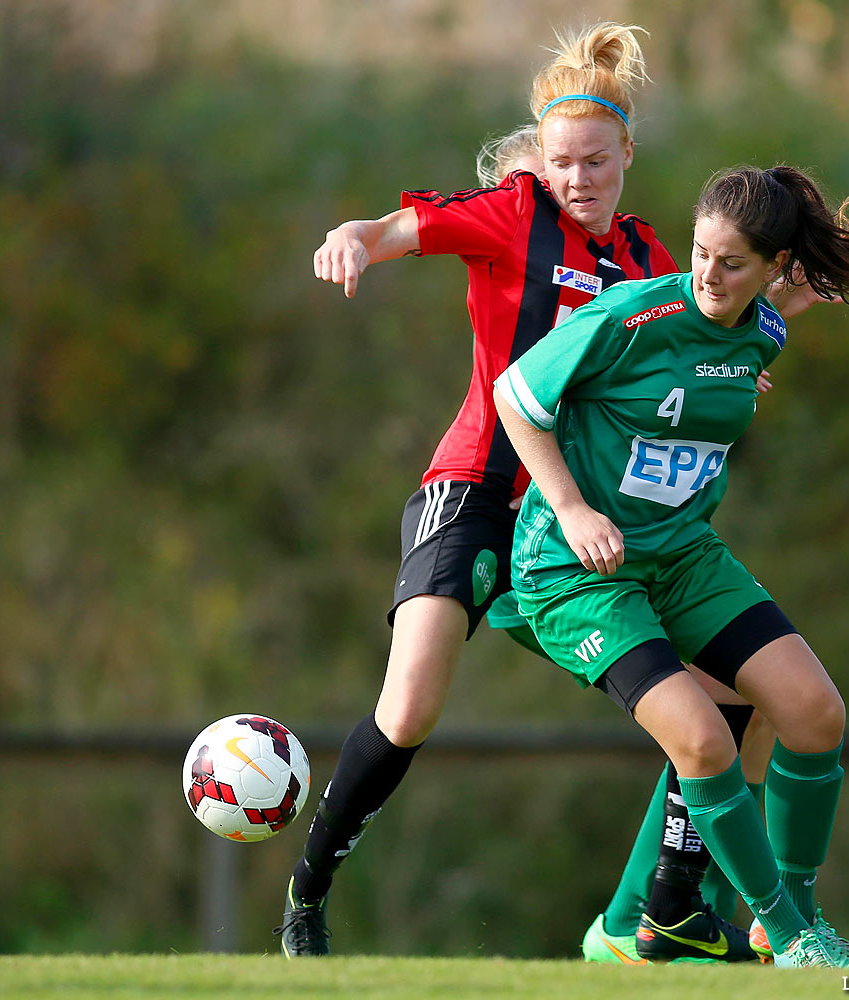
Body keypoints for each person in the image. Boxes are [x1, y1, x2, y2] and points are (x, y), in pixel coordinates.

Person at [277, 22, 682, 959]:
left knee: (705, 699)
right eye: (560, 161)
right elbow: (390, 229)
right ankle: (307, 892)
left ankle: (666, 917)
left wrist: (757, 347)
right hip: (472, 488)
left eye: (596, 160)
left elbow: (695, 347)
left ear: (626, 155)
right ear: (539, 162)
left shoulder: (652, 258)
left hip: (572, 521)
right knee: (411, 706)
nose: (578, 177)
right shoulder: (511, 215)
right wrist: (349, 240)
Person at [492, 163, 849, 968]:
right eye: (698, 254)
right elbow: (517, 395)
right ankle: (792, 938)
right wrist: (574, 508)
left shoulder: (763, 332)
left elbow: (721, 371)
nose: (707, 277)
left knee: (814, 713)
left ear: (774, 271)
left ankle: (786, 917)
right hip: (577, 573)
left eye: (731, 264)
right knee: (704, 744)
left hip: (682, 555)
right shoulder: (631, 313)